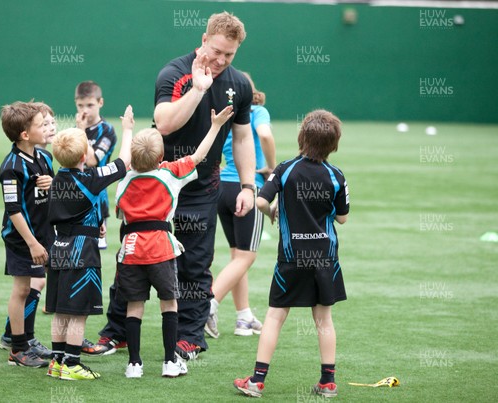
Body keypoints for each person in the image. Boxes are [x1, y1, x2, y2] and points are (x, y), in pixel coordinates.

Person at [93, 11, 256, 361]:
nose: (221, 60)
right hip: (156, 183)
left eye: (229, 55)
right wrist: (199, 89)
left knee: (195, 264)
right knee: (132, 257)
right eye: (216, 51)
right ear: (203, 40)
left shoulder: (240, 84)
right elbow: (164, 124)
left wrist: (247, 186)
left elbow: (242, 138)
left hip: (202, 186)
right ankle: (117, 332)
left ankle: (189, 337)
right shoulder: (173, 73)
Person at [233, 110, 349, 398]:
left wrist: (273, 210)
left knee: (274, 316)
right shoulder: (336, 176)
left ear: (301, 137)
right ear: (334, 144)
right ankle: (328, 382)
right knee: (324, 319)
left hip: (291, 257)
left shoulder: (285, 170)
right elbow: (343, 218)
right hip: (325, 258)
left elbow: (260, 200)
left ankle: (257, 381)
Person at [117, 106, 234, 378]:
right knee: (169, 303)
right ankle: (170, 361)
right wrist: (215, 126)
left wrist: (127, 130)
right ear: (161, 156)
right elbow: (199, 156)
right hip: (160, 248)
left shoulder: (123, 179)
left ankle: (134, 364)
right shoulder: (169, 173)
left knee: (134, 306)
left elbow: (123, 174)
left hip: (131, 250)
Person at [45, 106, 134, 381]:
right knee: (78, 313)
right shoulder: (91, 179)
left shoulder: (55, 179)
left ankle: (57, 361)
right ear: (86, 156)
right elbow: (123, 164)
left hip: (58, 249)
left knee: (61, 310)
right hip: (82, 252)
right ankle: (72, 364)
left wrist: (93, 221)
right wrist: (128, 129)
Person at [206, 72, 276, 339]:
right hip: (247, 188)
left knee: (238, 257)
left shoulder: (226, 113)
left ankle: (244, 317)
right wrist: (272, 167)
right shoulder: (257, 111)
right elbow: (265, 136)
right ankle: (209, 304)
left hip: (222, 188)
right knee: (246, 257)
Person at [0, 101, 55, 367]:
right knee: (22, 289)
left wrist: (52, 184)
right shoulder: (11, 167)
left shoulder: (44, 157)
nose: (47, 128)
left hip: (43, 235)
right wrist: (32, 243)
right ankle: (17, 348)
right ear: (24, 134)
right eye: (41, 125)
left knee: (37, 284)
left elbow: (52, 195)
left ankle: (28, 339)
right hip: (22, 240)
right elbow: (13, 209)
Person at [75, 81, 117, 251]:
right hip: (74, 196)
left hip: (97, 198)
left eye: (90, 105)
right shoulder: (75, 129)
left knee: (93, 250)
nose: (85, 110)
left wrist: (81, 132)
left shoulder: (107, 131)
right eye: (80, 105)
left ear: (100, 103)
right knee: (75, 247)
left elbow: (92, 161)